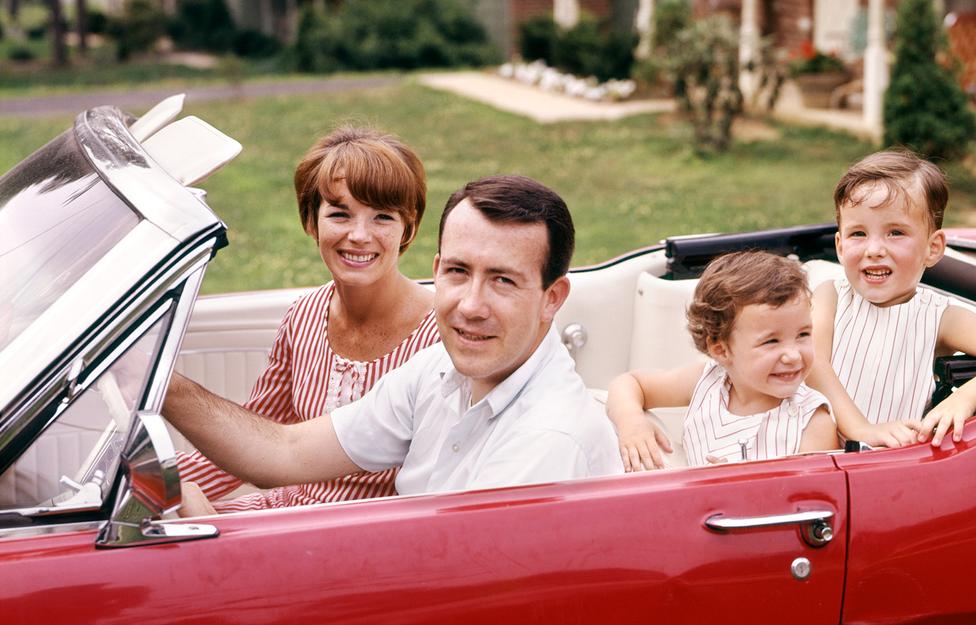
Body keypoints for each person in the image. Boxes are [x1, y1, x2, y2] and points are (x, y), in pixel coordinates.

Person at [165, 175, 622, 501]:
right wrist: (160, 382)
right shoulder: (438, 369)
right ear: (437, 268)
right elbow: (287, 453)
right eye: (458, 272)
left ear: (552, 297)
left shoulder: (547, 441)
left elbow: (451, 595)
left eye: (503, 280)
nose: (470, 306)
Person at [177, 126, 440, 516]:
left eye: (382, 217)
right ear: (311, 222)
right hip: (286, 511)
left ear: (409, 227)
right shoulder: (303, 315)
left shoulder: (440, 336)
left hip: (377, 534)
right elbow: (254, 437)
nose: (359, 235)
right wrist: (156, 482)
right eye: (339, 214)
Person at [807, 148, 976, 448]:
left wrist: (964, 399)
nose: (874, 249)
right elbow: (813, 364)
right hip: (818, 458)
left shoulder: (938, 317)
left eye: (895, 232)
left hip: (890, 465)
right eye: (858, 234)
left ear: (933, 248)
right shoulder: (830, 297)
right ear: (840, 246)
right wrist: (861, 428)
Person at [606, 250, 838, 472]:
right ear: (721, 349)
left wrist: (738, 487)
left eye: (803, 335)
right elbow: (629, 383)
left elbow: (812, 503)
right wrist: (632, 423)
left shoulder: (812, 422)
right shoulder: (708, 381)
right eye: (771, 342)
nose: (793, 355)